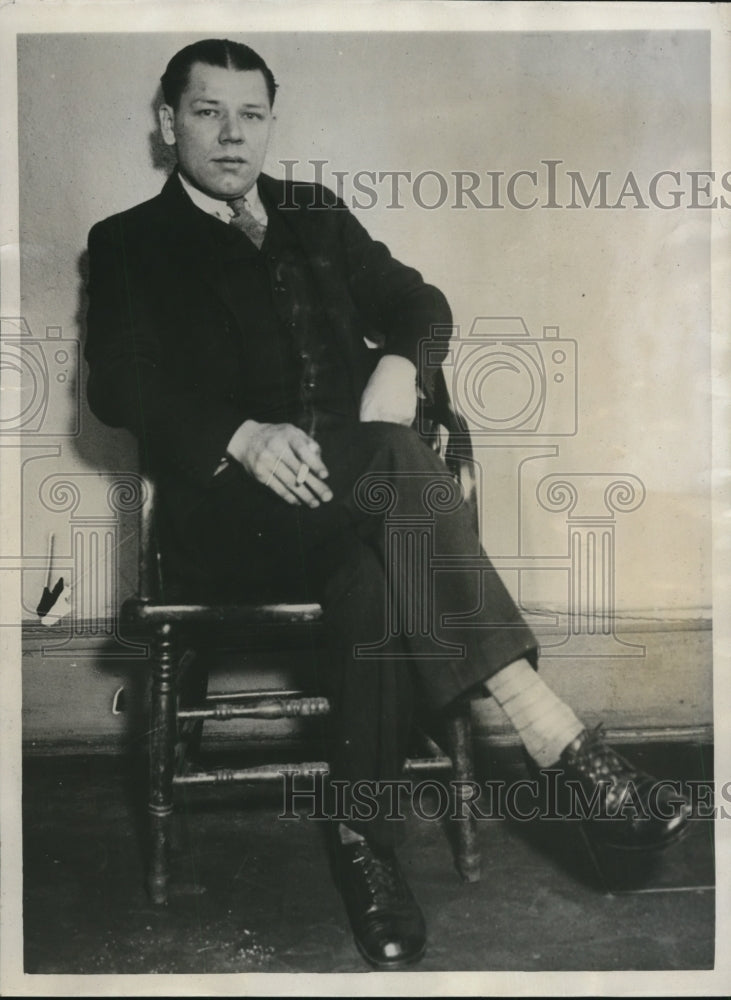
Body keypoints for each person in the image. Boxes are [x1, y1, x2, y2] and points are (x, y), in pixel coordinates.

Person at [84, 38, 690, 970]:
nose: (233, 135)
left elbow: (420, 302)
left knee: (370, 577)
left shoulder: (312, 215)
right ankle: (552, 735)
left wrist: (405, 362)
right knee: (388, 468)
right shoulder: (129, 241)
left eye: (252, 114)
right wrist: (239, 434)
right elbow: (121, 389)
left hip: (364, 507)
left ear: (271, 124)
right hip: (232, 519)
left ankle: (365, 848)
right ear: (169, 126)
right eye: (208, 113)